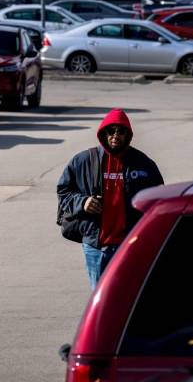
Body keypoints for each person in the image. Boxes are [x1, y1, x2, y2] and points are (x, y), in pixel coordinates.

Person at [57, 109, 163, 289]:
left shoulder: (143, 164)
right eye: (111, 130)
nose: (115, 135)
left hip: (129, 246)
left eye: (121, 131)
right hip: (95, 247)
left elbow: (158, 199)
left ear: (128, 135)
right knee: (101, 299)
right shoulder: (83, 161)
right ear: (103, 132)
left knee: (127, 298)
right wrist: (83, 202)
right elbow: (64, 191)